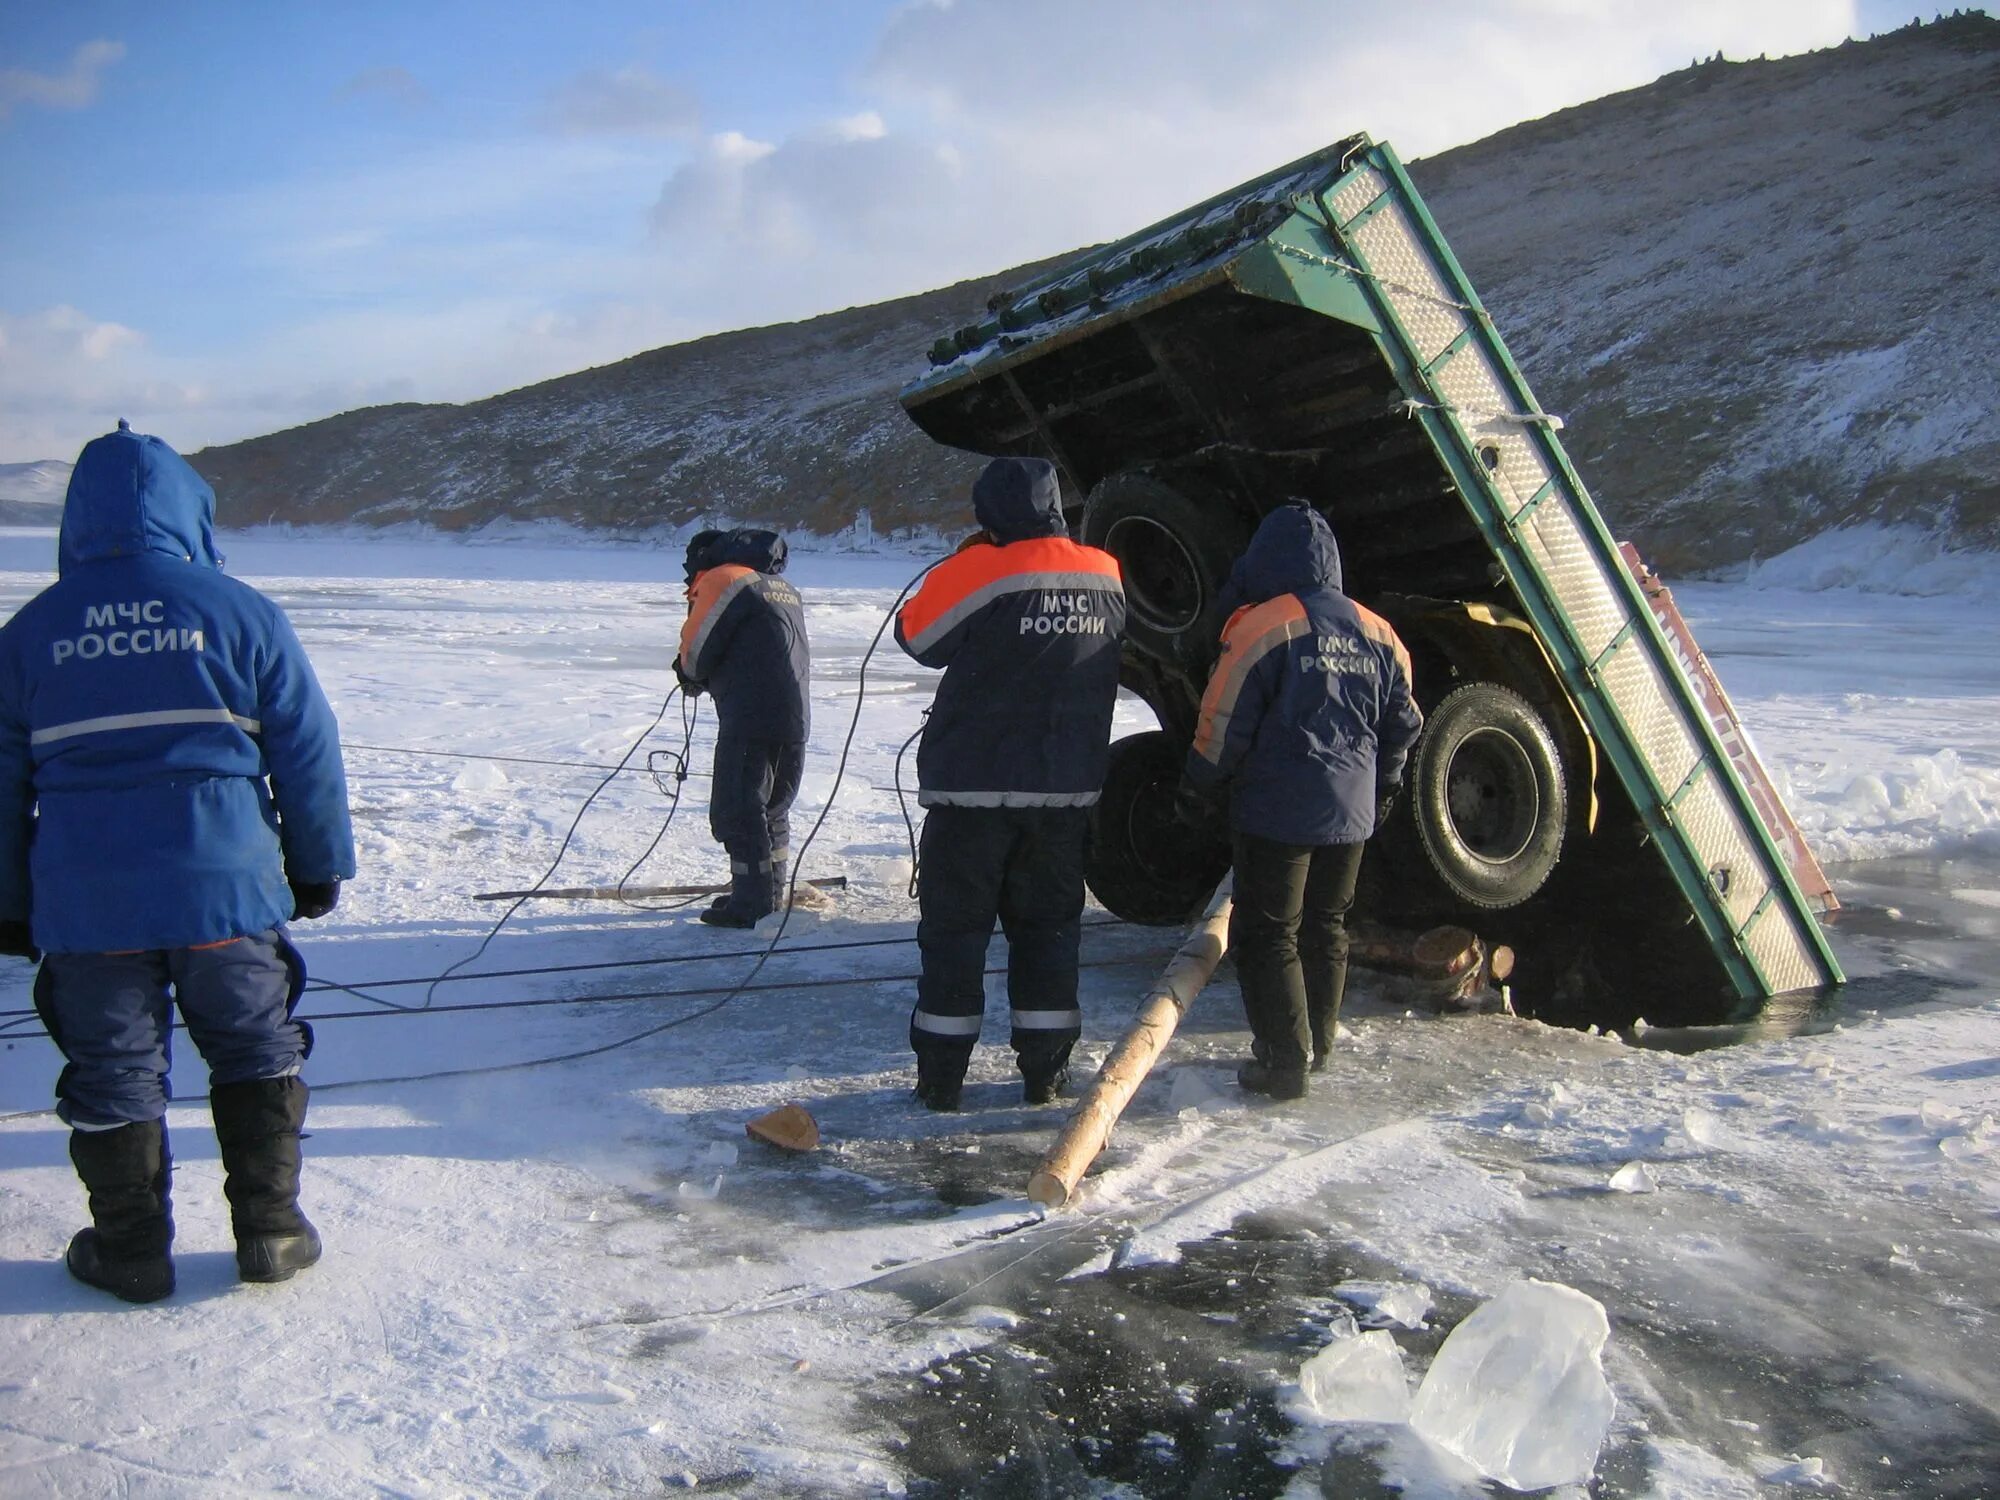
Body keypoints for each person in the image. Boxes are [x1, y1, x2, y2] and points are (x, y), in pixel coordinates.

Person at [0, 421, 355, 1303]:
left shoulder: (30, 632)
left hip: (89, 905)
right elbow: (308, 751)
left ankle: (129, 1251)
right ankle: (270, 1232)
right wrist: (316, 866)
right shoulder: (240, 613)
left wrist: (8, 902)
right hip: (223, 890)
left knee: (114, 1065)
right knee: (250, 1045)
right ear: (190, 513)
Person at [894, 456, 1126, 1110]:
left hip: (973, 790)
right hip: (1063, 789)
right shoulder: (1105, 573)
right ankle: (1044, 1075)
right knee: (1050, 932)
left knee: (955, 936)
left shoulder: (981, 570)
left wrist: (961, 568)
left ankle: (942, 1080)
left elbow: (918, 636)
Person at [1180, 501, 1423, 1101]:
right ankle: (1319, 1041)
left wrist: (1197, 785)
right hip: (1351, 812)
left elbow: (1223, 720)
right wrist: (1385, 785)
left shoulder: (1263, 626)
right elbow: (1404, 724)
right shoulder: (1379, 632)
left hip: (1276, 812)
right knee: (1327, 925)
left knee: (1269, 933)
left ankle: (1282, 1060)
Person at [677, 527, 810, 927]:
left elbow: (697, 651)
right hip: (793, 713)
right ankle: (769, 893)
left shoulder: (725, 579)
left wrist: (687, 673)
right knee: (772, 808)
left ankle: (750, 903)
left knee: (738, 808)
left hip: (750, 714)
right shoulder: (779, 586)